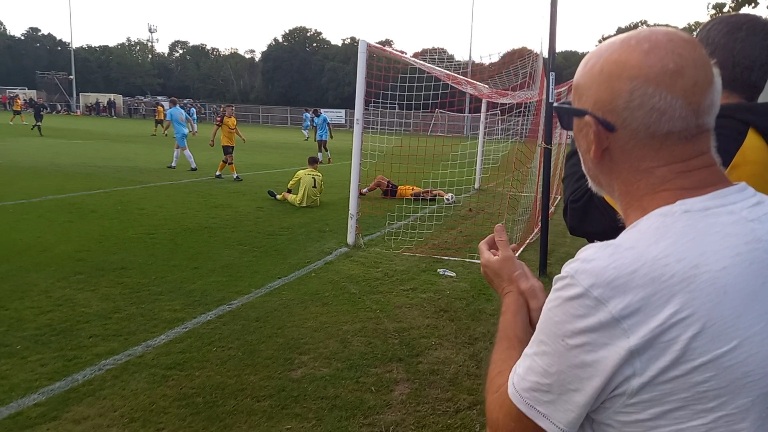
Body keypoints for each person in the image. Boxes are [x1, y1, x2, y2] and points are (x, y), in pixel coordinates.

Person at [479, 27, 768, 432]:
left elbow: (508, 427)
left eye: (570, 116)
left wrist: (512, 293)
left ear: (593, 137)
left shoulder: (604, 280)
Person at [561, 13, 768, 243]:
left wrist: (585, 117)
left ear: (707, 68)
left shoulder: (721, 139)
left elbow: (582, 211)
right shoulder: (754, 132)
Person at [209, 104, 245, 181]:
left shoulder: (234, 119)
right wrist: (212, 140)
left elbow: (235, 129)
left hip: (232, 142)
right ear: (227, 110)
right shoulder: (222, 118)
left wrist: (241, 136)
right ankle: (235, 176)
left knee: (226, 158)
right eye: (231, 109)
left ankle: (218, 173)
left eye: (233, 109)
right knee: (230, 157)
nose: (233, 111)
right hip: (225, 142)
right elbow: (215, 129)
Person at [162, 97, 198, 171]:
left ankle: (193, 166)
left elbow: (168, 123)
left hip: (179, 132)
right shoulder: (181, 110)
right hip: (185, 131)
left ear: (170, 104)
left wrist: (164, 130)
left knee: (185, 149)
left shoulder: (170, 111)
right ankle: (173, 164)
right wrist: (193, 130)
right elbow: (190, 120)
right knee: (176, 148)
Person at [359, 175, 447, 199]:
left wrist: (425, 191)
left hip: (394, 193)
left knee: (378, 182)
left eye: (429, 195)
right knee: (380, 177)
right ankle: (371, 189)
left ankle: (363, 192)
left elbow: (414, 194)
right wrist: (446, 195)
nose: (429, 193)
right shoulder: (426, 193)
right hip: (397, 187)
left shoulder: (419, 196)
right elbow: (439, 192)